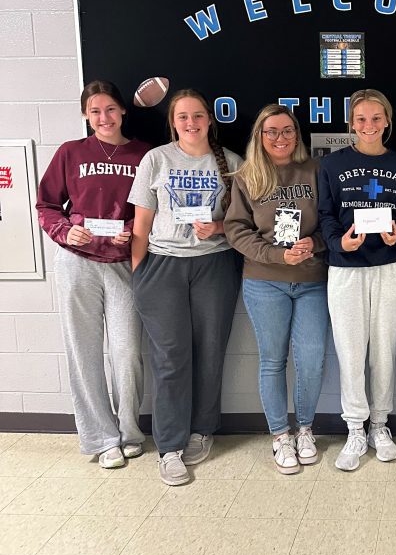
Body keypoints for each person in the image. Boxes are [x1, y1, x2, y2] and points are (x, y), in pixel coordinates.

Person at [129, 89, 242, 487]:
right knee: (170, 357)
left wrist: (219, 227)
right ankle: (170, 446)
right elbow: (141, 224)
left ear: (210, 119)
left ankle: (201, 430)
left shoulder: (232, 163)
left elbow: (244, 222)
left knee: (210, 351)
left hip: (215, 265)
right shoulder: (156, 159)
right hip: (163, 265)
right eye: (182, 117)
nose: (191, 123)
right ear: (173, 122)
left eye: (197, 115)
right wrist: (140, 272)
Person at [36, 80, 150, 469]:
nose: (104, 118)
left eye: (111, 109)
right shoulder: (71, 152)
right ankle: (101, 438)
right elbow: (46, 204)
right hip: (77, 262)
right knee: (83, 351)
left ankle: (130, 431)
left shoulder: (143, 154)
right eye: (95, 111)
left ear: (123, 110)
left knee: (127, 351)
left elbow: (152, 208)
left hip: (122, 263)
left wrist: (131, 230)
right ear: (86, 115)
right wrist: (64, 230)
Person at [224, 104, 328, 474]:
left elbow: (332, 220)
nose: (280, 138)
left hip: (312, 279)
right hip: (264, 280)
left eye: (287, 131)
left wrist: (314, 244)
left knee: (312, 357)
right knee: (272, 359)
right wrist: (276, 255)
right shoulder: (247, 176)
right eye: (271, 131)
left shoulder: (316, 170)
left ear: (297, 135)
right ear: (260, 136)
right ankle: (280, 436)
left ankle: (305, 429)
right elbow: (236, 229)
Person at [318, 89, 396, 471]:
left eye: (376, 118)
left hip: (388, 267)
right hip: (345, 269)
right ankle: (355, 428)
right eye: (361, 119)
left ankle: (380, 425)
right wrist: (338, 243)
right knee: (350, 352)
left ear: (387, 121)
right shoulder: (331, 165)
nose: (369, 125)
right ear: (351, 123)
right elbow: (326, 215)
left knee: (384, 352)